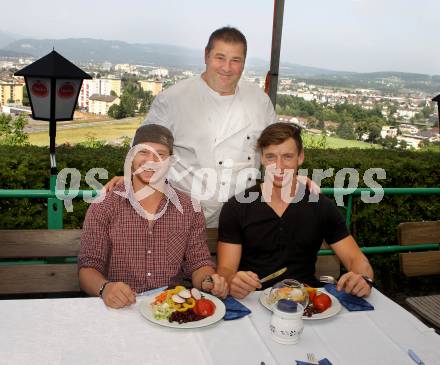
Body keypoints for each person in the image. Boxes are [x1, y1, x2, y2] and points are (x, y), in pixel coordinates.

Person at [105, 26, 277, 227]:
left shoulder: (259, 101)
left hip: (242, 219)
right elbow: (144, 149)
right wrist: (131, 179)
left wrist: (294, 181)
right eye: (220, 57)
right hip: (182, 218)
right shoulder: (173, 99)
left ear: (244, 62)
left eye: (235, 60)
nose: (227, 67)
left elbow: (278, 150)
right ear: (206, 55)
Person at [216, 122, 374, 299]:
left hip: (307, 301)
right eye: (270, 157)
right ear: (261, 158)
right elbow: (225, 270)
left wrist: (363, 279)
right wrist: (232, 279)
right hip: (252, 300)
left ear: (300, 158)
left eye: (287, 157)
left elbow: (357, 260)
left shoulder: (321, 206)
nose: (279, 166)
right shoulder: (236, 207)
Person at [79, 124, 228, 309]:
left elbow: (198, 262)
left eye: (160, 154)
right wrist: (105, 288)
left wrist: (208, 280)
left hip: (171, 307)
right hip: (121, 307)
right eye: (143, 152)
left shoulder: (190, 208)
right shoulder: (105, 205)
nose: (151, 160)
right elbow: (88, 267)